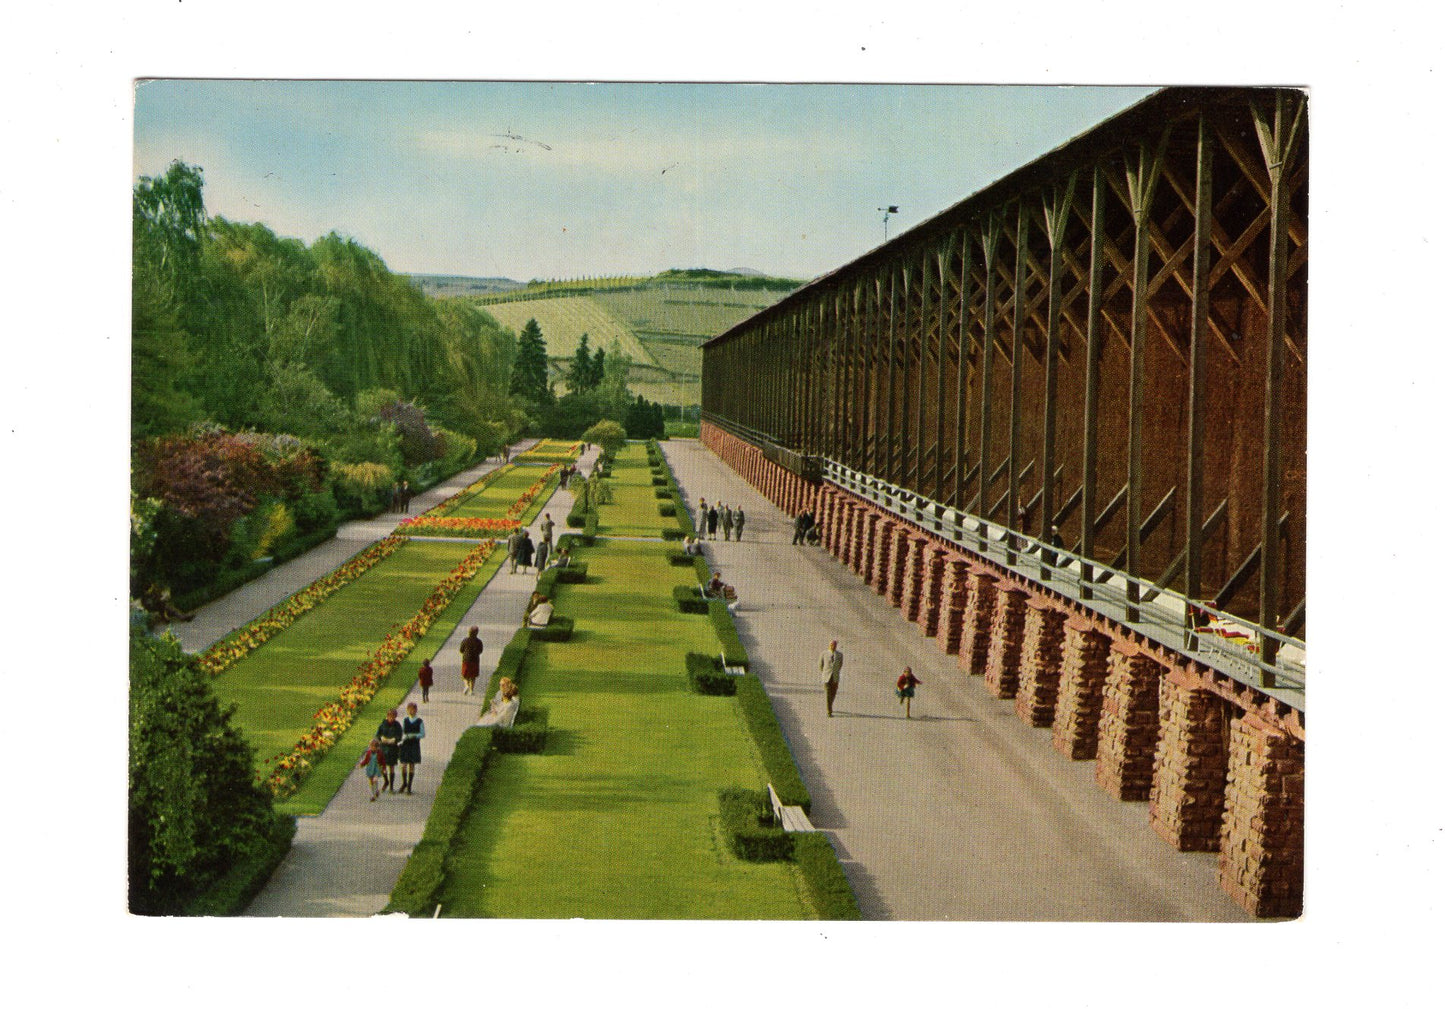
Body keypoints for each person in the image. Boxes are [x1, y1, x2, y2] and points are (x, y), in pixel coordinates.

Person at [398, 703, 425, 793]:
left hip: (414, 744)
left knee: (412, 765)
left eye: (413, 710)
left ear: (416, 710)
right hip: (406, 743)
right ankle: (404, 782)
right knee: (403, 765)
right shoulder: (405, 720)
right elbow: (403, 731)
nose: (411, 711)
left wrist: (414, 735)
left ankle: (409, 785)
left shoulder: (419, 721)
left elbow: (422, 734)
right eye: (409, 709)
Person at [376, 709, 404, 793]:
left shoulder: (397, 725)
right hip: (383, 748)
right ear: (387, 716)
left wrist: (394, 740)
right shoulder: (383, 724)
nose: (391, 718)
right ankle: (386, 781)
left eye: (393, 717)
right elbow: (378, 734)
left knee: (391, 767)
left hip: (392, 748)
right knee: (382, 766)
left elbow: (400, 736)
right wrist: (381, 738)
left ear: (395, 717)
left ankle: (391, 787)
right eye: (389, 716)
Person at [821, 640, 843, 717]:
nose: (833, 646)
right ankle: (829, 711)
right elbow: (821, 665)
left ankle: (830, 705)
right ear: (829, 645)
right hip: (826, 677)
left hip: (835, 677)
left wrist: (835, 672)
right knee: (828, 693)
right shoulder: (824, 654)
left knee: (833, 693)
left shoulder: (840, 655)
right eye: (831, 645)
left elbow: (840, 665)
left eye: (834, 645)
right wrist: (824, 672)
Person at [459, 626, 484, 695]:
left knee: (464, 675)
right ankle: (471, 690)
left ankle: (466, 685)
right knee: (473, 676)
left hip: (466, 660)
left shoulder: (465, 640)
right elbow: (481, 650)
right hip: (475, 660)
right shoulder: (479, 641)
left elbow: (461, 650)